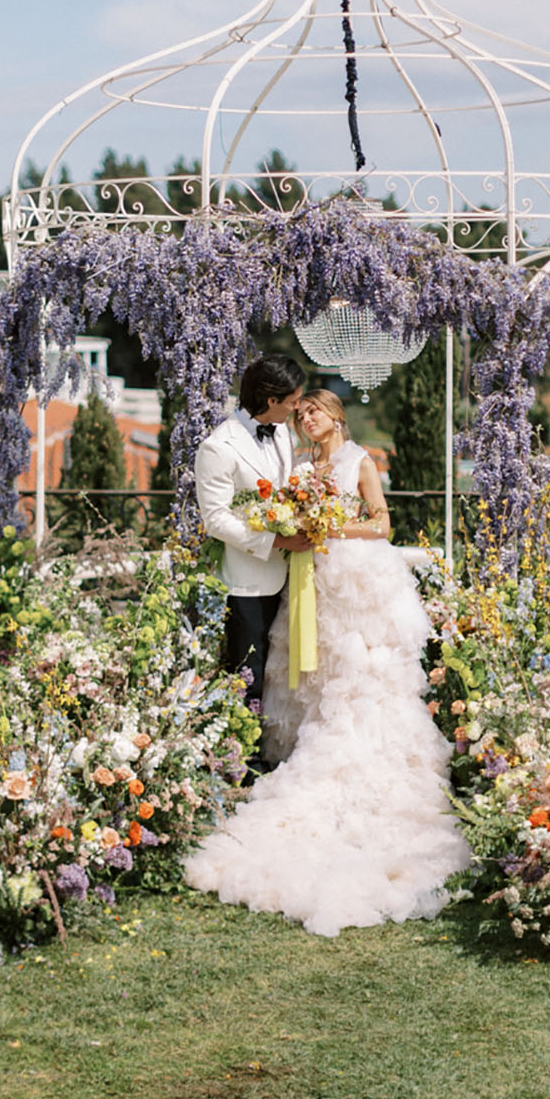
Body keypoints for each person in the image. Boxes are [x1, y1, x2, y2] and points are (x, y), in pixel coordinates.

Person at [185, 388, 470, 936]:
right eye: (299, 413)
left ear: (335, 415)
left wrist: (327, 528)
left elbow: (382, 524)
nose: (305, 419)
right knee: (311, 671)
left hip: (354, 576)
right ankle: (299, 750)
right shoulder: (298, 463)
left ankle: (363, 758)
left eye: (313, 410)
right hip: (309, 579)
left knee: (358, 673)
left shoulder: (360, 460)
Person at [193, 355, 309, 720]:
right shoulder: (219, 446)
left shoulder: (283, 434)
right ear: (271, 400)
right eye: (292, 403)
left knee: (277, 674)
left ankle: (265, 748)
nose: (296, 410)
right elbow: (216, 521)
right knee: (248, 676)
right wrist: (277, 542)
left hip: (286, 576)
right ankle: (240, 762)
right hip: (246, 581)